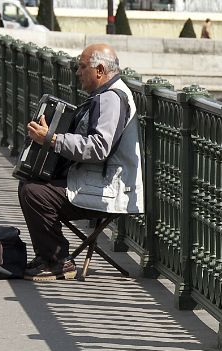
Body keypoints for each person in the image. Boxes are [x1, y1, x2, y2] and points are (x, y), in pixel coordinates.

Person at [18, 44, 144, 281]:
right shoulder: (106, 95)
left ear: (99, 70)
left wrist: (53, 139)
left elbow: (99, 147)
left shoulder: (112, 99)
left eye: (82, 66)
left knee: (33, 192)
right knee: (31, 181)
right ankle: (49, 255)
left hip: (107, 190)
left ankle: (57, 261)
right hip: (93, 180)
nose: (77, 72)